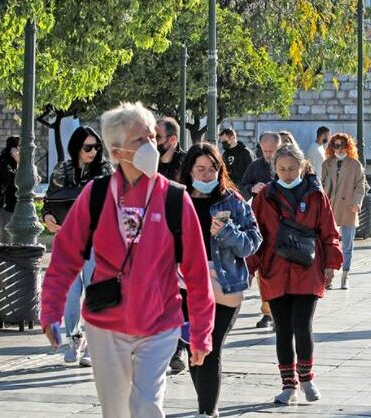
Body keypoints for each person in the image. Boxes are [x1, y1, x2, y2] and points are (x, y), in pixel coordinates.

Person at [40, 102, 215, 418]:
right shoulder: (95, 195)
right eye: (140, 140)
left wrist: (202, 331)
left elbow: (196, 269)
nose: (150, 145)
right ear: (117, 151)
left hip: (160, 323)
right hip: (106, 324)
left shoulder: (175, 197)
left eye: (152, 137)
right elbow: (64, 258)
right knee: (116, 411)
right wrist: (50, 309)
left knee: (148, 407)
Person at [247, 144, 343, 404]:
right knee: (282, 329)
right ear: (274, 169)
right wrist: (248, 268)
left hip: (307, 267)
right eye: (281, 169)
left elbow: (329, 231)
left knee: (302, 326)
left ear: (302, 166)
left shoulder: (316, 195)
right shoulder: (264, 196)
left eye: (291, 168)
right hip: (274, 268)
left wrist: (331, 264)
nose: (287, 173)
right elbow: (255, 235)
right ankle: (288, 384)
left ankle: (307, 378)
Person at [179, 143, 262, 418]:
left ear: (220, 170)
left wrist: (228, 233)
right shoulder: (176, 200)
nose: (206, 175)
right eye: (200, 169)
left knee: (211, 347)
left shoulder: (232, 201)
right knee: (194, 347)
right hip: (183, 283)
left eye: (212, 169)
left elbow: (252, 243)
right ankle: (205, 405)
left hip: (223, 283)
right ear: (189, 170)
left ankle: (207, 412)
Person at [42, 126, 114, 367]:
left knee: (94, 290)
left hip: (97, 240)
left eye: (96, 147)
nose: (93, 152)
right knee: (71, 294)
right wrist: (48, 217)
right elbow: (50, 200)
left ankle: (94, 341)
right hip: (68, 240)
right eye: (87, 147)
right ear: (76, 147)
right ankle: (76, 337)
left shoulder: (105, 170)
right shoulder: (61, 169)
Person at [239, 131, 281, 329]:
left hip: (282, 225)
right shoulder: (256, 166)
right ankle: (267, 312)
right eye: (265, 151)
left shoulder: (286, 164)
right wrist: (252, 188)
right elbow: (242, 186)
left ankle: (280, 309)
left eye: (272, 151)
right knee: (263, 268)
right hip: (259, 222)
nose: (268, 155)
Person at [321, 133, 366, 290]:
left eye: (342, 145)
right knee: (329, 244)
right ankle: (329, 276)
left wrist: (356, 203)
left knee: (347, 246)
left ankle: (345, 276)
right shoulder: (327, 164)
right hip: (330, 208)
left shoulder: (355, 164)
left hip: (348, 208)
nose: (339, 149)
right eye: (335, 146)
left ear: (348, 146)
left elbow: (361, 186)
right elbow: (322, 186)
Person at [0, 136, 20, 244]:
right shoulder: (5, 164)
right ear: (13, 149)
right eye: (20, 148)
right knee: (6, 243)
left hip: (18, 208)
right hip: (8, 209)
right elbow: (17, 180)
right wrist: (19, 161)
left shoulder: (15, 164)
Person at [156, 116, 187, 181]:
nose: (153, 142)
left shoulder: (187, 163)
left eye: (157, 138)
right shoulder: (149, 163)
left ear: (172, 139)